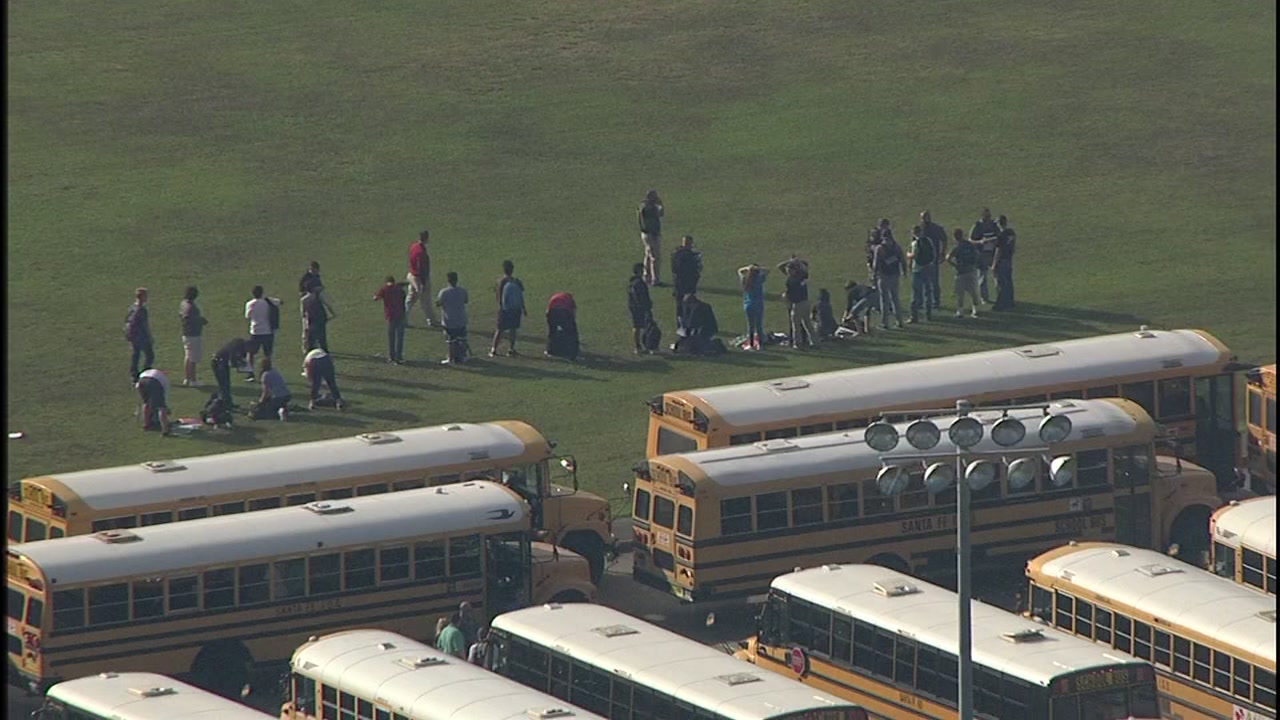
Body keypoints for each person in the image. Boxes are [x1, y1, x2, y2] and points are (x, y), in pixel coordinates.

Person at [489, 260, 527, 358]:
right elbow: (521, 294)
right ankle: (511, 349)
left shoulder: (500, 281)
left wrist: (500, 305)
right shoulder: (516, 281)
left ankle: (494, 349)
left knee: (500, 329)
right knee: (513, 329)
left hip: (504, 309)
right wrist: (523, 307)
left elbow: (498, 294)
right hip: (515, 308)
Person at [777, 256, 815, 348]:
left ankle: (797, 343)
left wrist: (794, 262)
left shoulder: (793, 280)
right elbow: (780, 266)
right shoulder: (801, 276)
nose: (788, 271)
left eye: (789, 270)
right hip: (805, 302)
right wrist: (794, 262)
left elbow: (780, 266)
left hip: (798, 304)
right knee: (807, 323)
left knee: (796, 325)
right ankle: (814, 341)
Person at [872, 225, 905, 329]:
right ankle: (900, 321)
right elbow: (902, 260)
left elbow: (875, 264)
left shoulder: (879, 248)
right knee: (895, 298)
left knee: (884, 300)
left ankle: (884, 323)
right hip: (895, 275)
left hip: (883, 276)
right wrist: (904, 272)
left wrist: (874, 275)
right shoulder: (897, 247)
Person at [435, 271, 470, 365]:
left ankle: (451, 358)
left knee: (451, 341)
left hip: (449, 320)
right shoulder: (462, 291)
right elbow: (466, 301)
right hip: (461, 319)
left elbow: (438, 303)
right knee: (461, 339)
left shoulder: (444, 292)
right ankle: (462, 357)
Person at [404, 230, 436, 327]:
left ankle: (403, 319)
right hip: (419, 278)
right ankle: (431, 320)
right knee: (425, 300)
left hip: (412, 276)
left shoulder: (414, 246)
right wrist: (422, 283)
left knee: (410, 299)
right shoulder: (421, 251)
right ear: (426, 238)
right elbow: (421, 268)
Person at [948, 227, 981, 318]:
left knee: (960, 293)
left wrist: (955, 266)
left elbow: (948, 258)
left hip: (960, 273)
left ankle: (960, 311)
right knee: (973, 292)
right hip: (971, 271)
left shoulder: (957, 247)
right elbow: (977, 254)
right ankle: (975, 310)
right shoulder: (969, 245)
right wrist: (973, 264)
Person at [373, 276, 408, 364]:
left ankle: (391, 357)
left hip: (390, 316)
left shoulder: (384, 289)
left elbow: (375, 298)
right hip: (400, 315)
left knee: (391, 337)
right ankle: (399, 357)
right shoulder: (400, 290)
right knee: (400, 337)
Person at [178, 286, 208, 387]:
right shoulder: (192, 307)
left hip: (186, 334)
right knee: (193, 358)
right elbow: (192, 320)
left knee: (188, 356)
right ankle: (193, 380)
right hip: (193, 335)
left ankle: (187, 378)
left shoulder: (183, 304)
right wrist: (202, 321)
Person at [969, 208, 1000, 305]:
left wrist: (994, 240)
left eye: (989, 216)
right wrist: (980, 242)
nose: (988, 218)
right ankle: (984, 298)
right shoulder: (977, 225)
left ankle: (1000, 296)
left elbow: (999, 236)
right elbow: (970, 240)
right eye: (986, 216)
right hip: (981, 254)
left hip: (992, 253)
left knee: (997, 276)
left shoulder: (994, 225)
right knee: (982, 277)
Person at [124, 287, 154, 383]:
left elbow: (127, 320)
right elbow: (145, 325)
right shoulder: (142, 310)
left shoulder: (132, 307)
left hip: (133, 335)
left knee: (135, 355)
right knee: (150, 355)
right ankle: (145, 373)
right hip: (142, 336)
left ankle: (134, 375)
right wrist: (150, 336)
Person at [737, 263, 769, 351]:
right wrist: (757, 268)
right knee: (759, 325)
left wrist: (747, 268)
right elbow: (767, 271)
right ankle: (761, 345)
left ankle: (751, 345)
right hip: (758, 304)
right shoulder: (759, 280)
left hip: (748, 305)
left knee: (750, 326)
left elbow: (739, 271)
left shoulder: (745, 280)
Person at [920, 211, 948, 311]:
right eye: (923, 218)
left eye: (926, 217)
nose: (924, 220)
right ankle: (925, 301)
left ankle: (936, 301)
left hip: (933, 259)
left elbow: (944, 239)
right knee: (923, 282)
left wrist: (942, 252)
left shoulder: (936, 228)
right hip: (922, 260)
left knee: (934, 281)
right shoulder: (920, 229)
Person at [670, 235, 702, 323]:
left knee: (679, 306)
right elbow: (693, 270)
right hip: (687, 284)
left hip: (678, 284)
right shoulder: (688, 256)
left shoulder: (676, 253)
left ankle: (680, 324)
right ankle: (688, 322)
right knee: (688, 305)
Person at [211, 338, 250, 408]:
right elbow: (233, 362)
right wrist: (240, 366)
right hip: (219, 362)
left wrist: (241, 363)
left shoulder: (239, 345)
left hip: (222, 362)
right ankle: (225, 404)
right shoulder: (236, 347)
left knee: (226, 384)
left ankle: (228, 402)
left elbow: (239, 358)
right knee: (224, 384)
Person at [907, 225, 935, 324]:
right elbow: (933, 254)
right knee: (928, 292)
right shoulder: (928, 241)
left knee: (915, 293)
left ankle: (914, 316)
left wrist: (908, 255)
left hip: (917, 270)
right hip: (928, 268)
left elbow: (913, 255)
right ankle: (929, 314)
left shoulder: (915, 243)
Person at [245, 285, 275, 372]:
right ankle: (267, 370)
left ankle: (250, 371)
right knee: (267, 353)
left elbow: (248, 316)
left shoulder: (250, 304)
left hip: (255, 331)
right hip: (267, 330)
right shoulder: (267, 302)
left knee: (251, 353)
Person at [637, 189, 664, 287]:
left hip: (647, 234)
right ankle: (655, 279)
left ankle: (646, 275)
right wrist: (660, 205)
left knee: (648, 254)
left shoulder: (644, 206)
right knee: (655, 257)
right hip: (651, 234)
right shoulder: (648, 207)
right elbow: (659, 214)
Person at [627, 263, 654, 355]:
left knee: (638, 326)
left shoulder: (633, 282)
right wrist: (644, 305)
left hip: (635, 307)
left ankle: (640, 345)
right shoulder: (638, 283)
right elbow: (639, 296)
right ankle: (640, 345)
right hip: (639, 308)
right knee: (640, 326)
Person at [991, 215, 1016, 311]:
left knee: (1001, 283)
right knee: (1009, 281)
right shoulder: (1011, 233)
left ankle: (1001, 303)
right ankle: (1010, 301)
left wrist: (994, 264)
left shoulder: (1000, 236)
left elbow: (998, 250)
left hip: (1001, 261)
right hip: (1009, 259)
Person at [545, 291, 580, 361]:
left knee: (552, 332)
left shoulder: (554, 296)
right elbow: (573, 312)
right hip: (564, 312)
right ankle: (573, 353)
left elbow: (547, 311)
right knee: (572, 334)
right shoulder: (569, 299)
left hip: (552, 312)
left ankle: (550, 350)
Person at [135, 368, 171, 435]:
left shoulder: (149, 371)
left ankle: (146, 424)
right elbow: (165, 396)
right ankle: (165, 429)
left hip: (141, 381)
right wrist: (167, 408)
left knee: (146, 403)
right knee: (161, 407)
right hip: (153, 382)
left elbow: (137, 385)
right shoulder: (164, 379)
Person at [301, 285, 335, 353]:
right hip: (319, 318)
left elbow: (303, 312)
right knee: (321, 336)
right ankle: (323, 350)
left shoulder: (304, 299)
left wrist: (305, 322)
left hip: (313, 319)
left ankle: (310, 350)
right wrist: (332, 314)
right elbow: (327, 305)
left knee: (312, 336)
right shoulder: (317, 296)